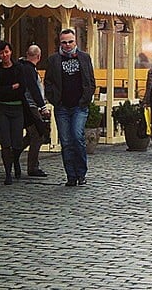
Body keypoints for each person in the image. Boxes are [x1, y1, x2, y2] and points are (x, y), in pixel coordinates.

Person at [44, 28, 95, 186]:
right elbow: (48, 82)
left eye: (70, 42)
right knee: (66, 141)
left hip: (79, 106)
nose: (67, 45)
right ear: (60, 43)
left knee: (77, 136)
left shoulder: (84, 57)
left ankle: (81, 173)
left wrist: (85, 99)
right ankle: (71, 176)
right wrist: (54, 99)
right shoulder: (53, 60)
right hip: (62, 107)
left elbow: (90, 81)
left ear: (75, 41)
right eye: (64, 42)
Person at [0, 40, 26, 185]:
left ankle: (16, 160)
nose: (5, 55)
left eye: (6, 51)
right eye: (1, 53)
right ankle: (8, 173)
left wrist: (9, 89)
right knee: (5, 143)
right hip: (3, 109)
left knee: (17, 142)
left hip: (17, 108)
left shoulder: (19, 68)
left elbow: (23, 88)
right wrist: (12, 87)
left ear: (11, 52)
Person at [18, 45, 50, 177]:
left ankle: (13, 154)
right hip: (30, 106)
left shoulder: (23, 67)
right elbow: (33, 89)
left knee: (31, 135)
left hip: (27, 105)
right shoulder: (29, 69)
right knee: (38, 134)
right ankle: (32, 167)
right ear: (39, 56)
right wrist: (42, 106)